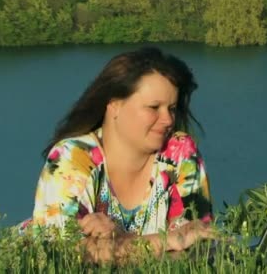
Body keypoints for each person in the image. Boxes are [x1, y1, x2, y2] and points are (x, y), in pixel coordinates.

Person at [24, 47, 215, 263]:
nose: (168, 120)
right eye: (154, 107)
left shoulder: (179, 153)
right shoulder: (73, 157)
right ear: (114, 105)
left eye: (171, 108)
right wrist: (166, 242)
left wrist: (119, 242)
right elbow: (62, 255)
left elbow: (198, 248)